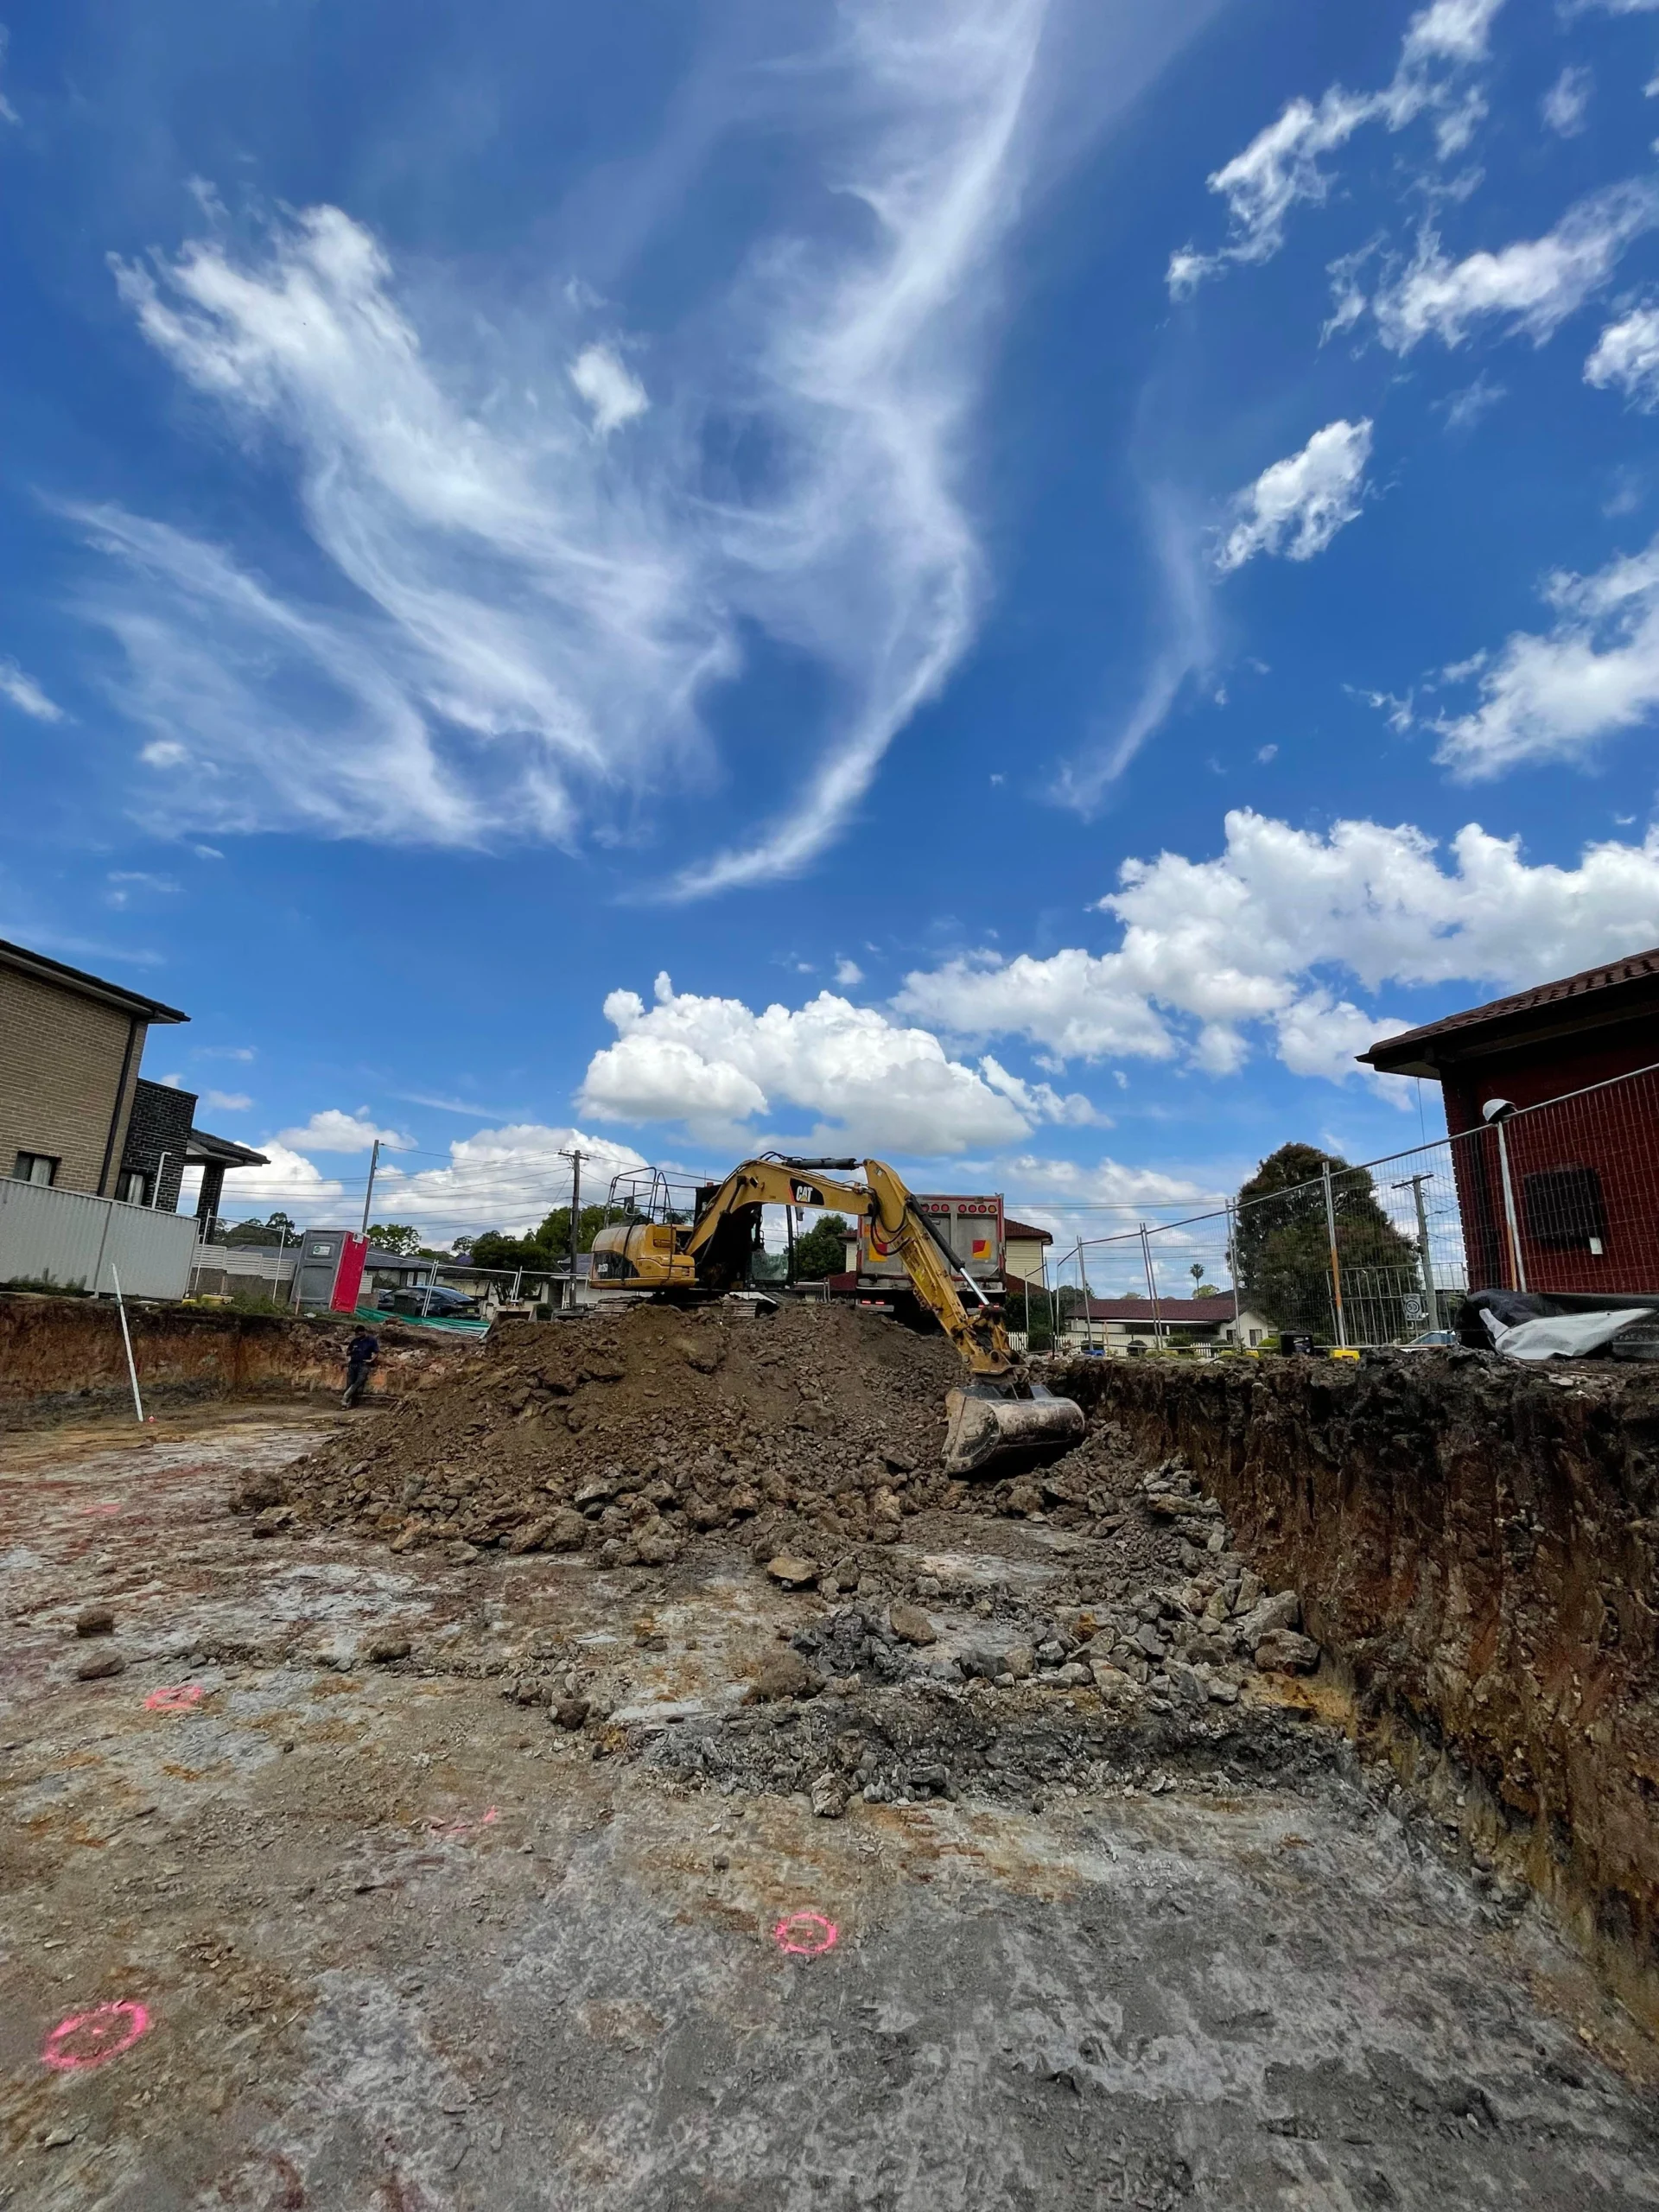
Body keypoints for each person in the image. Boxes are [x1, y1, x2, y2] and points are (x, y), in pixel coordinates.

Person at [342, 1324, 380, 1408]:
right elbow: (348, 1352)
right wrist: (353, 1351)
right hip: (353, 1364)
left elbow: (377, 1352)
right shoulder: (355, 1341)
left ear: (364, 1332)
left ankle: (345, 1397)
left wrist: (371, 1360)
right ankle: (347, 1404)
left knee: (359, 1381)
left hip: (363, 1364)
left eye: (359, 1334)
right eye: (357, 1334)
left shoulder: (371, 1340)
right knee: (350, 1383)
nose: (358, 1336)